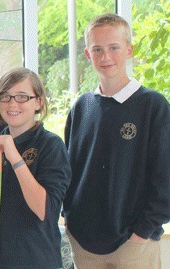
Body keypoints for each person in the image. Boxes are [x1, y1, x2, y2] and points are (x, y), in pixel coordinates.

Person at [63, 13, 169, 268]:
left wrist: (141, 233)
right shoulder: (81, 107)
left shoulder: (153, 106)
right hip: (84, 243)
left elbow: (166, 177)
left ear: (129, 50)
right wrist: (69, 219)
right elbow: (69, 171)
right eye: (97, 49)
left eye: (114, 48)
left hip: (134, 245)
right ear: (88, 55)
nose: (105, 57)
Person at [0, 67, 71, 268]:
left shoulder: (51, 145)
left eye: (22, 97)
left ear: (38, 102)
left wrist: (14, 157)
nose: (12, 104)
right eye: (6, 97)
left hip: (36, 259)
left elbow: (44, 211)